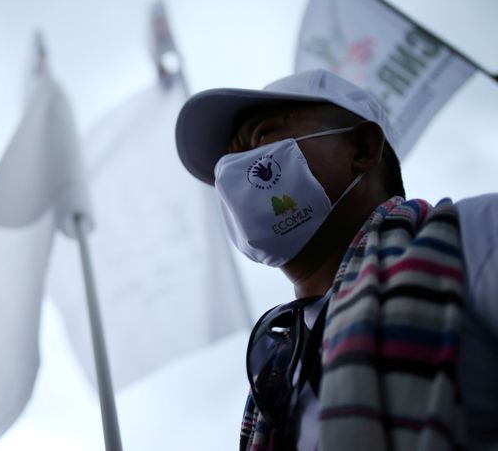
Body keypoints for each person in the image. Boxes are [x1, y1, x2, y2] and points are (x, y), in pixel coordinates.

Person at [174, 69, 498, 451]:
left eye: (262, 135)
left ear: (361, 149)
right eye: (227, 163)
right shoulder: (275, 374)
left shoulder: (472, 236)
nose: (235, 173)